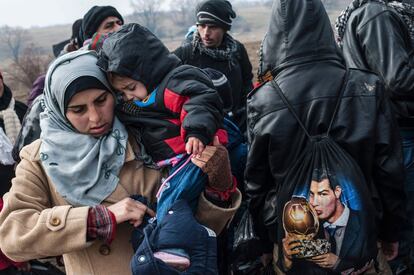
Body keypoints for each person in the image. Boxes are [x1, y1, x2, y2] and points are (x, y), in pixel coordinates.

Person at [0, 50, 241, 275]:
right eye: (78, 109)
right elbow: (13, 236)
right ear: (59, 111)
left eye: (101, 100)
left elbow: (195, 227)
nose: (95, 117)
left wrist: (218, 188)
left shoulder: (150, 137)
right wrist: (98, 219)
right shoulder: (40, 159)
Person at [246, 0, 405, 273]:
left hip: (290, 240)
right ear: (323, 29)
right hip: (362, 238)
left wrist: (265, 240)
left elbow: (257, 184)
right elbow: (389, 171)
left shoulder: (264, 100)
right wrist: (391, 231)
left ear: (273, 37)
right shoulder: (366, 87)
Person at [98, 23, 234, 224]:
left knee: (172, 201)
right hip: (177, 159)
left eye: (131, 88)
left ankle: (168, 243)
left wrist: (195, 131)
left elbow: (200, 101)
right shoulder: (140, 100)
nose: (128, 96)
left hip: (198, 152)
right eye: (122, 93)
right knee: (170, 198)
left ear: (148, 71)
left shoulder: (176, 80)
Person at [336, 1, 414, 273]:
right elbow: (398, 79)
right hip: (399, 128)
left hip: (381, 126)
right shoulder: (378, 14)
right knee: (405, 216)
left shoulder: (370, 13)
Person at [173, 0, 253, 133]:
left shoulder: (237, 50)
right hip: (202, 129)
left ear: (224, 28)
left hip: (239, 125)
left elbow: (247, 83)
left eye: (213, 27)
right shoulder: (185, 54)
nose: (206, 33)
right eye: (202, 25)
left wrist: (247, 113)